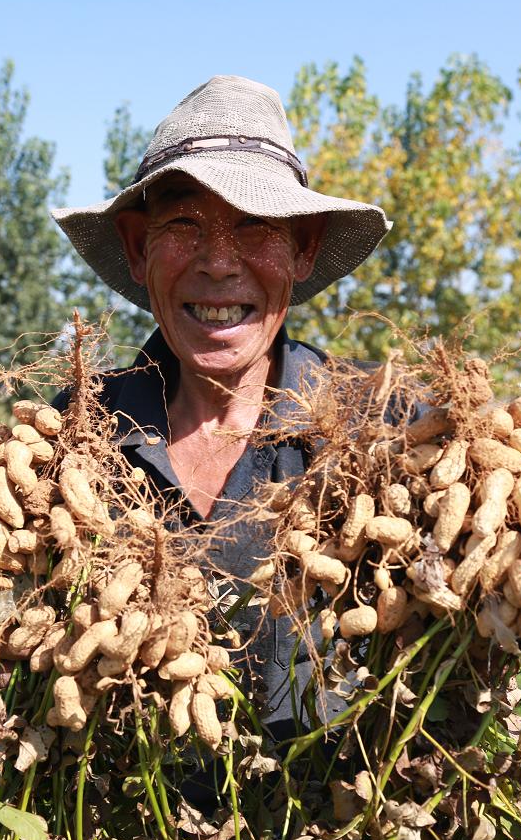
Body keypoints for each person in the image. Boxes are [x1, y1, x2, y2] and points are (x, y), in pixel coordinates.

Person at [51, 75, 390, 735]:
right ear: (134, 246)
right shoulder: (71, 434)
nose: (218, 264)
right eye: (183, 225)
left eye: (254, 227)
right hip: (116, 829)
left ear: (304, 247)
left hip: (332, 828)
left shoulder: (381, 430)